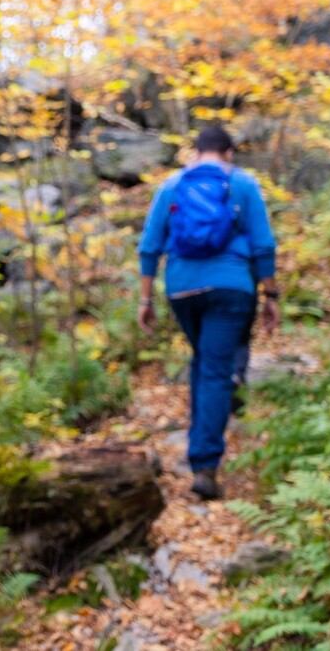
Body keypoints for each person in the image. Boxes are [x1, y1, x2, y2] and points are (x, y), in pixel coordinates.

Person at [137, 124, 279, 500]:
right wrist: (271, 296)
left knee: (204, 362)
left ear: (196, 152)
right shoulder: (242, 184)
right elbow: (263, 244)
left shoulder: (171, 185)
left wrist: (146, 300)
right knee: (216, 369)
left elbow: (150, 246)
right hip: (231, 287)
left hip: (182, 288)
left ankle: (200, 446)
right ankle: (204, 465)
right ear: (228, 152)